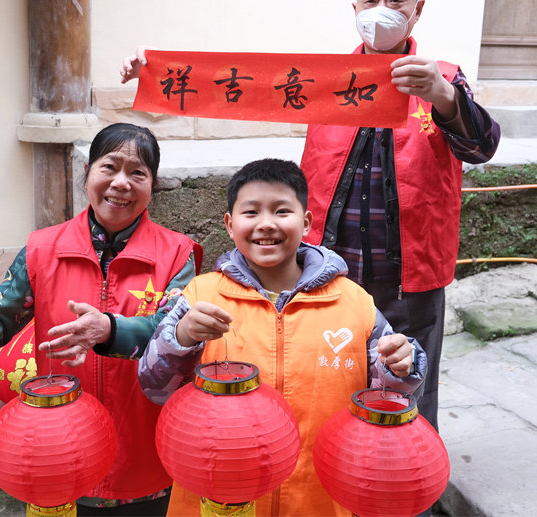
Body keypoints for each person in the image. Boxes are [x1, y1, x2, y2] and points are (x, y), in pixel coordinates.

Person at [120, 0, 500, 433]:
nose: (381, 9)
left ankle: (408, 491)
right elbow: (245, 85)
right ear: (355, 8)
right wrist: (158, 75)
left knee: (408, 390)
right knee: (326, 389)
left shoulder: (443, 78)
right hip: (327, 280)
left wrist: (444, 95)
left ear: (417, 10)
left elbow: (481, 145)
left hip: (408, 280)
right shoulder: (326, 80)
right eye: (371, 0)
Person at [0, 123, 203, 516]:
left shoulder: (178, 254)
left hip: (145, 456)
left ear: (152, 185)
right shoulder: (42, 249)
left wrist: (109, 329)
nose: (121, 183)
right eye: (109, 167)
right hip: (61, 449)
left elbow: (173, 333)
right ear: (87, 174)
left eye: (138, 173)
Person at [137, 158, 426, 517]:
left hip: (319, 497)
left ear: (306, 222)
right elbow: (155, 387)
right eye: (251, 211)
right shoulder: (201, 296)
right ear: (229, 224)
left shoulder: (354, 302)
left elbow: (389, 396)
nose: (266, 224)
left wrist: (400, 366)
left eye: (281, 210)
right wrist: (180, 338)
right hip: (218, 496)